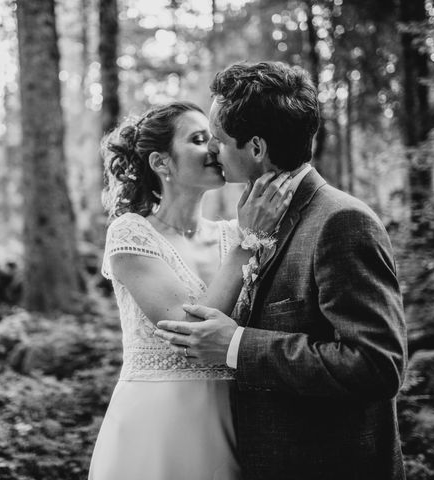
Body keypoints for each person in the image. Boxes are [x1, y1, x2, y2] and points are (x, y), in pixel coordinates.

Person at [155, 62, 408, 480]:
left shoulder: (340, 222)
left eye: (218, 138)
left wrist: (237, 345)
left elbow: (376, 366)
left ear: (255, 148)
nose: (213, 149)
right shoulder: (254, 221)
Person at [88, 100, 293, 480]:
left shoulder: (233, 233)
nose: (215, 147)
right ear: (161, 163)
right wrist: (249, 243)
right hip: (157, 425)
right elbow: (189, 332)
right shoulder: (131, 233)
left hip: (235, 419)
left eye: (214, 138)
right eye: (199, 139)